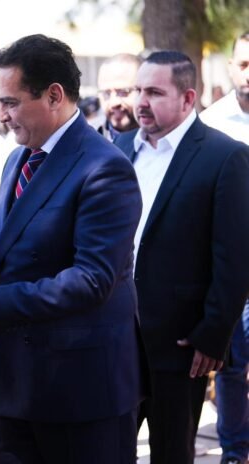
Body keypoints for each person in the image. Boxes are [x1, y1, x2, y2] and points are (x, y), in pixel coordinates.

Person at [0, 34, 144, 463]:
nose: (1, 115)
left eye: (11, 102)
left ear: (54, 95)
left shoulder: (104, 168)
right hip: (19, 388)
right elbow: (4, 253)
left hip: (82, 393)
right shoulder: (19, 158)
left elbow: (91, 281)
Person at [113, 50, 249, 464]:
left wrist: (213, 334)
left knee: (171, 452)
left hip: (180, 343)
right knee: (107, 448)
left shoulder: (225, 156)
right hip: (113, 336)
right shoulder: (119, 147)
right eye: (138, 90)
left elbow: (235, 257)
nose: (140, 102)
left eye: (154, 93)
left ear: (188, 98)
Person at [200, 31, 249, 464]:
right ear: (231, 67)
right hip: (230, 265)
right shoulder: (212, 123)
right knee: (231, 366)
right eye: (244, 64)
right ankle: (234, 451)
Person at [97, 53, 141, 141]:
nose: (114, 103)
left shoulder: (163, 138)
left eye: (123, 92)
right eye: (106, 94)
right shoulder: (85, 139)